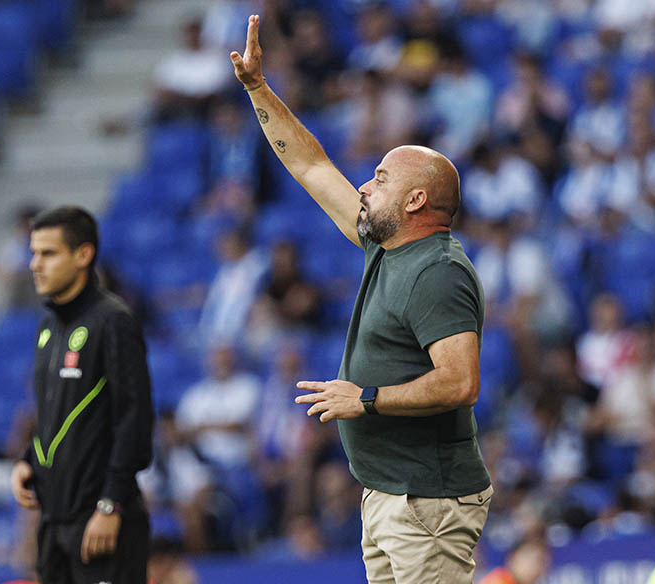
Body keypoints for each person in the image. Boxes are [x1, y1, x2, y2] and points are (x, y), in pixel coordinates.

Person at [231, 16, 493, 583]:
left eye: (379, 177)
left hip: (427, 502)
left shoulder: (439, 272)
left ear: (417, 199)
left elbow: (460, 382)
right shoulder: (385, 246)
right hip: (388, 494)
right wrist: (259, 89)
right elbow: (310, 164)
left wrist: (366, 399)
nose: (366, 186)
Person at [9, 206, 154, 584]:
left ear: (83, 255)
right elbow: (54, 413)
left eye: (48, 253)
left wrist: (110, 505)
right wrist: (29, 460)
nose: (34, 264)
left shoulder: (113, 321)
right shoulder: (47, 327)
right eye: (33, 252)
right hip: (54, 524)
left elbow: (135, 421)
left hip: (101, 522)